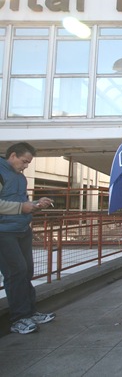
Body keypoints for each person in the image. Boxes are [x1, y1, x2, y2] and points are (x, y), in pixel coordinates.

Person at [0, 142, 56, 335]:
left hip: (22, 228)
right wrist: (21, 208)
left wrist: (36, 204)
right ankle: (19, 318)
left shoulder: (20, 178)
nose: (25, 166)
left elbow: (20, 203)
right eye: (24, 161)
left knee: (26, 271)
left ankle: (30, 312)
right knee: (16, 272)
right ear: (13, 156)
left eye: (28, 163)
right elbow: (15, 205)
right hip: (4, 232)